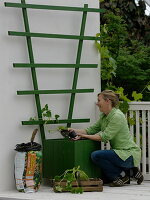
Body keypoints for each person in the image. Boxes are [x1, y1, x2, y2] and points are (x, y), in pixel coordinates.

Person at [68, 90, 143, 187]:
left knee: (96, 155)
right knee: (103, 168)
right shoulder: (104, 116)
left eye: (99, 100)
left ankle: (122, 176)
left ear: (107, 101)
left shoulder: (117, 116)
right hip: (119, 153)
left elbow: (104, 137)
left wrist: (83, 136)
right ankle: (131, 171)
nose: (97, 103)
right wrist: (72, 130)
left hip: (128, 154)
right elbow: (91, 130)